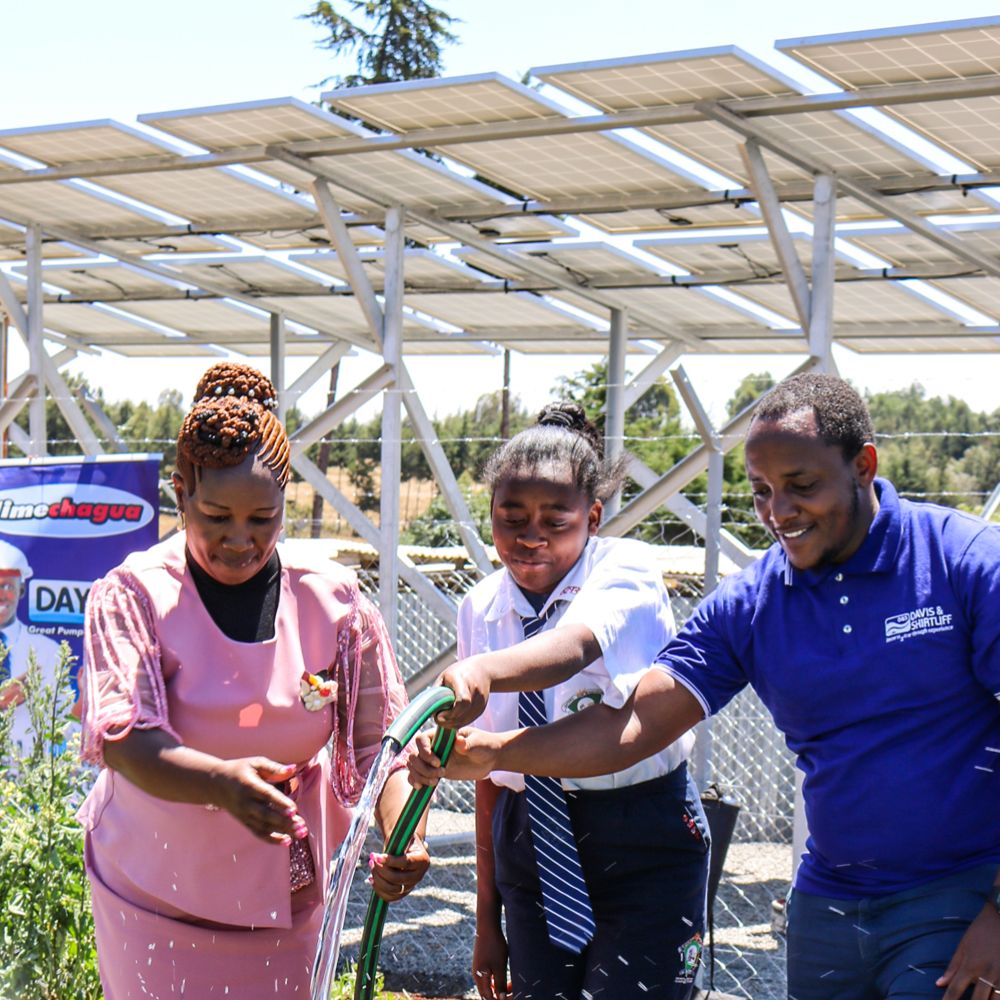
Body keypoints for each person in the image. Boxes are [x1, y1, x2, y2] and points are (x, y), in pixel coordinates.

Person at [415, 374, 1000, 1000]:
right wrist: (499, 753)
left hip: (958, 892)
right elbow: (634, 723)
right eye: (761, 491)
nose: (778, 512)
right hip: (830, 901)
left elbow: (582, 645)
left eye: (801, 486)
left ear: (863, 466)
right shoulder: (754, 602)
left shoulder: (963, 561)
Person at [77, 362, 429, 999]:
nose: (240, 541)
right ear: (181, 494)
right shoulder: (134, 595)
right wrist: (220, 782)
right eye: (216, 517)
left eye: (262, 520)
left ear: (284, 501)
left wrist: (407, 834)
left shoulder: (333, 602)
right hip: (152, 891)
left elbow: (384, 746)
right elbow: (124, 737)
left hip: (284, 900)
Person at [449, 402, 707, 1000]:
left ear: (592, 517)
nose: (529, 536)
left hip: (641, 835)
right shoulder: (481, 607)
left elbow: (573, 646)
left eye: (555, 520)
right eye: (511, 518)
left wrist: (483, 670)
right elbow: (491, 779)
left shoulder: (625, 571)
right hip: (531, 841)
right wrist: (487, 920)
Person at [0, 538, 62, 755]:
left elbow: (64, 723)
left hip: (28, 768)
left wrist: (84, 699)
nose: (1, 595)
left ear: (22, 590)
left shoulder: (48, 651)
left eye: (8, 586)